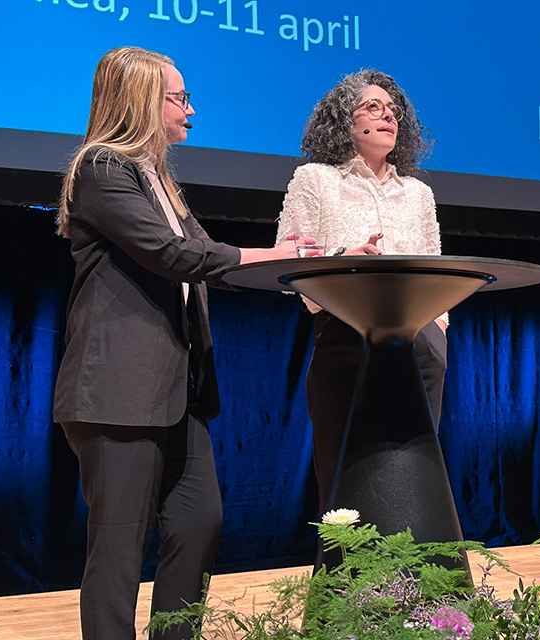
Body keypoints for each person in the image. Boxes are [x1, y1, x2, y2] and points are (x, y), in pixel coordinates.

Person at [53, 47, 302, 640]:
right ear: (142, 100)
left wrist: (299, 263)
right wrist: (274, 256)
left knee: (198, 521)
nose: (190, 110)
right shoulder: (102, 168)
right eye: (179, 97)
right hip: (119, 388)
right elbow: (175, 257)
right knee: (117, 548)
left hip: (176, 390)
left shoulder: (159, 179)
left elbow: (209, 261)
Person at [275, 69, 447, 514]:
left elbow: (435, 264)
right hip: (344, 337)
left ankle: (416, 582)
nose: (388, 115)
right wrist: (341, 256)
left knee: (413, 471)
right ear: (343, 120)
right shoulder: (315, 179)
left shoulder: (419, 193)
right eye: (373, 107)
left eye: (393, 110)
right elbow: (286, 259)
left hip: (418, 342)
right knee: (346, 476)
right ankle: (346, 584)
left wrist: (438, 328)